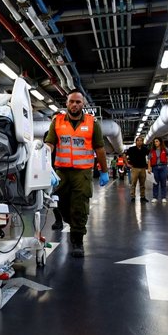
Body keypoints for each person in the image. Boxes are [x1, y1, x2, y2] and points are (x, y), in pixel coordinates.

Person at [45, 89, 109, 258]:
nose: (74, 104)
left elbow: (100, 149)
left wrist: (104, 171)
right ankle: (71, 222)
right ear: (66, 103)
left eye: (78, 102)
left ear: (83, 104)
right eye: (71, 101)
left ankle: (77, 240)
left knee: (79, 206)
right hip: (62, 171)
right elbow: (50, 144)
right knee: (58, 202)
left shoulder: (92, 123)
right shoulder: (57, 122)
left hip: (83, 172)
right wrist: (43, 163)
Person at [124, 136, 150, 202]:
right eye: (138, 140)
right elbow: (124, 155)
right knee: (133, 184)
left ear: (142, 142)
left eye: (141, 140)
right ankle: (133, 197)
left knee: (142, 184)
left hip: (143, 169)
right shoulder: (131, 149)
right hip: (134, 168)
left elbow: (149, 156)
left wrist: (149, 166)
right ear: (136, 142)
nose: (139, 142)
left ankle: (143, 197)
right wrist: (127, 163)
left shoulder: (145, 149)